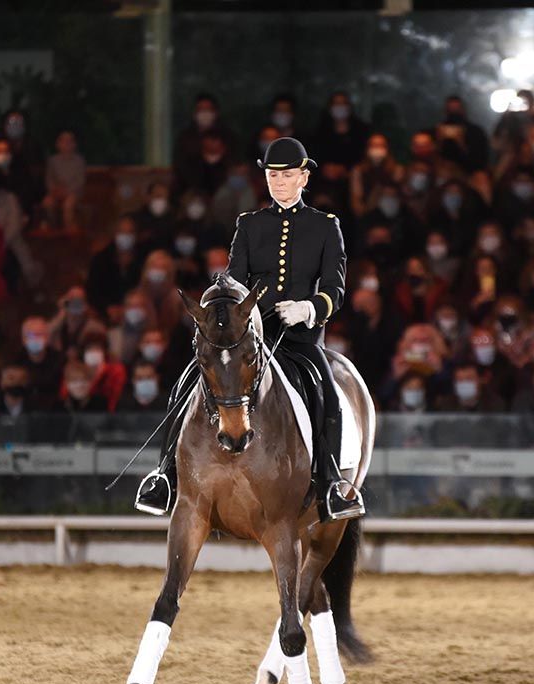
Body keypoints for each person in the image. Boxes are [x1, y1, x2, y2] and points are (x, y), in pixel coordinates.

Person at [135, 137, 363, 522]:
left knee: (326, 392)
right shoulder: (250, 224)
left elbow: (335, 289)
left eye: (287, 175)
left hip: (299, 337)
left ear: (304, 177)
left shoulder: (325, 227)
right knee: (186, 382)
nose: (278, 182)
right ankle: (165, 477)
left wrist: (309, 308)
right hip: (250, 337)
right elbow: (235, 284)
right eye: (273, 175)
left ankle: (329, 485)